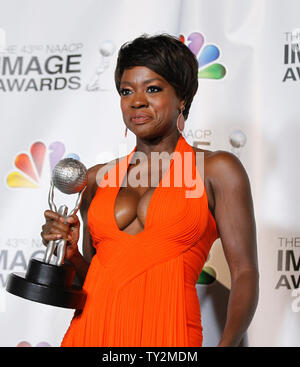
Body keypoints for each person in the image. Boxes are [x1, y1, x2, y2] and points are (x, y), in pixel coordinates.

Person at [41, 34, 259, 347]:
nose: (136, 101)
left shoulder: (216, 170)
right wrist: (72, 253)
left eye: (153, 89)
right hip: (90, 334)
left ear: (181, 97)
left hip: (169, 336)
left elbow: (245, 274)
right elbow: (91, 282)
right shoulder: (94, 179)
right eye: (126, 91)